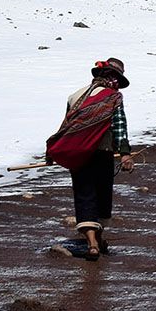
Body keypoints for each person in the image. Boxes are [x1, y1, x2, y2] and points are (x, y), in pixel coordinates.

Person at [63, 58, 134, 260]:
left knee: (84, 195)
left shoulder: (75, 96)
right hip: (102, 153)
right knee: (102, 196)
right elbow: (119, 127)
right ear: (114, 78)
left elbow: (66, 127)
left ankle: (93, 242)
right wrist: (125, 153)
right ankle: (96, 241)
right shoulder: (113, 97)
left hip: (78, 154)